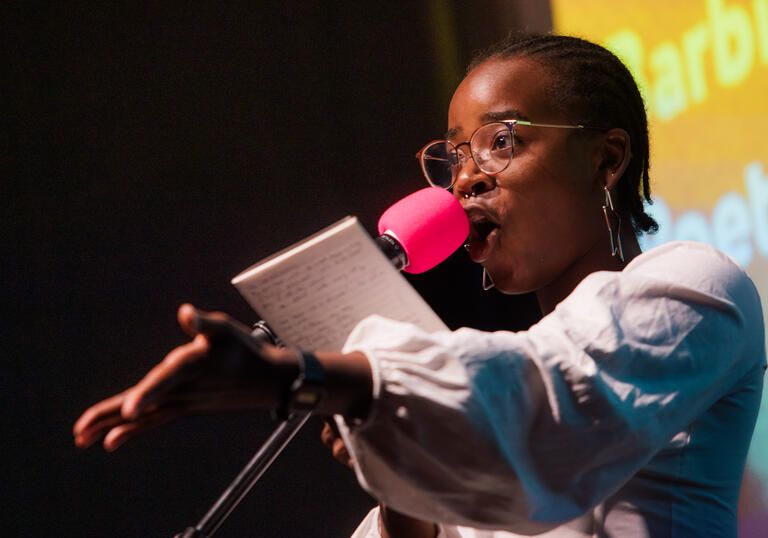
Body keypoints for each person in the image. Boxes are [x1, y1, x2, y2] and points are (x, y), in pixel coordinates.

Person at [74, 33, 766, 537]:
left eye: (502, 141)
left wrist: (316, 375)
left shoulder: (699, 286)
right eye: (455, 155)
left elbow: (549, 406)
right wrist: (400, 479)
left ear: (606, 159)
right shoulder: (483, 393)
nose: (467, 178)